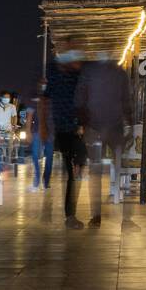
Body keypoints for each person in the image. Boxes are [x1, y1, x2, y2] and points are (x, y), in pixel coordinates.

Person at [75, 52, 137, 230]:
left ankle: (96, 216)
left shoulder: (89, 72)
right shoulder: (120, 73)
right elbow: (127, 101)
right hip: (114, 128)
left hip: (95, 129)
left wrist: (82, 124)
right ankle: (126, 219)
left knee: (95, 172)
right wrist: (130, 125)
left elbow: (79, 100)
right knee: (122, 170)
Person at [47, 39, 87, 228]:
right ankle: (70, 215)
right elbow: (45, 98)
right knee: (71, 171)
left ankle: (70, 213)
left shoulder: (77, 74)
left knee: (76, 167)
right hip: (63, 129)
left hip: (76, 129)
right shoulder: (53, 71)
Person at [25, 78, 54, 192]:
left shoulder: (52, 100)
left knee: (49, 158)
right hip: (37, 131)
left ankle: (46, 182)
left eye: (45, 84)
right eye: (42, 84)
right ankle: (36, 183)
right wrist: (28, 131)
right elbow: (29, 116)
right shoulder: (35, 100)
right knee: (35, 156)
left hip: (51, 132)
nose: (43, 86)